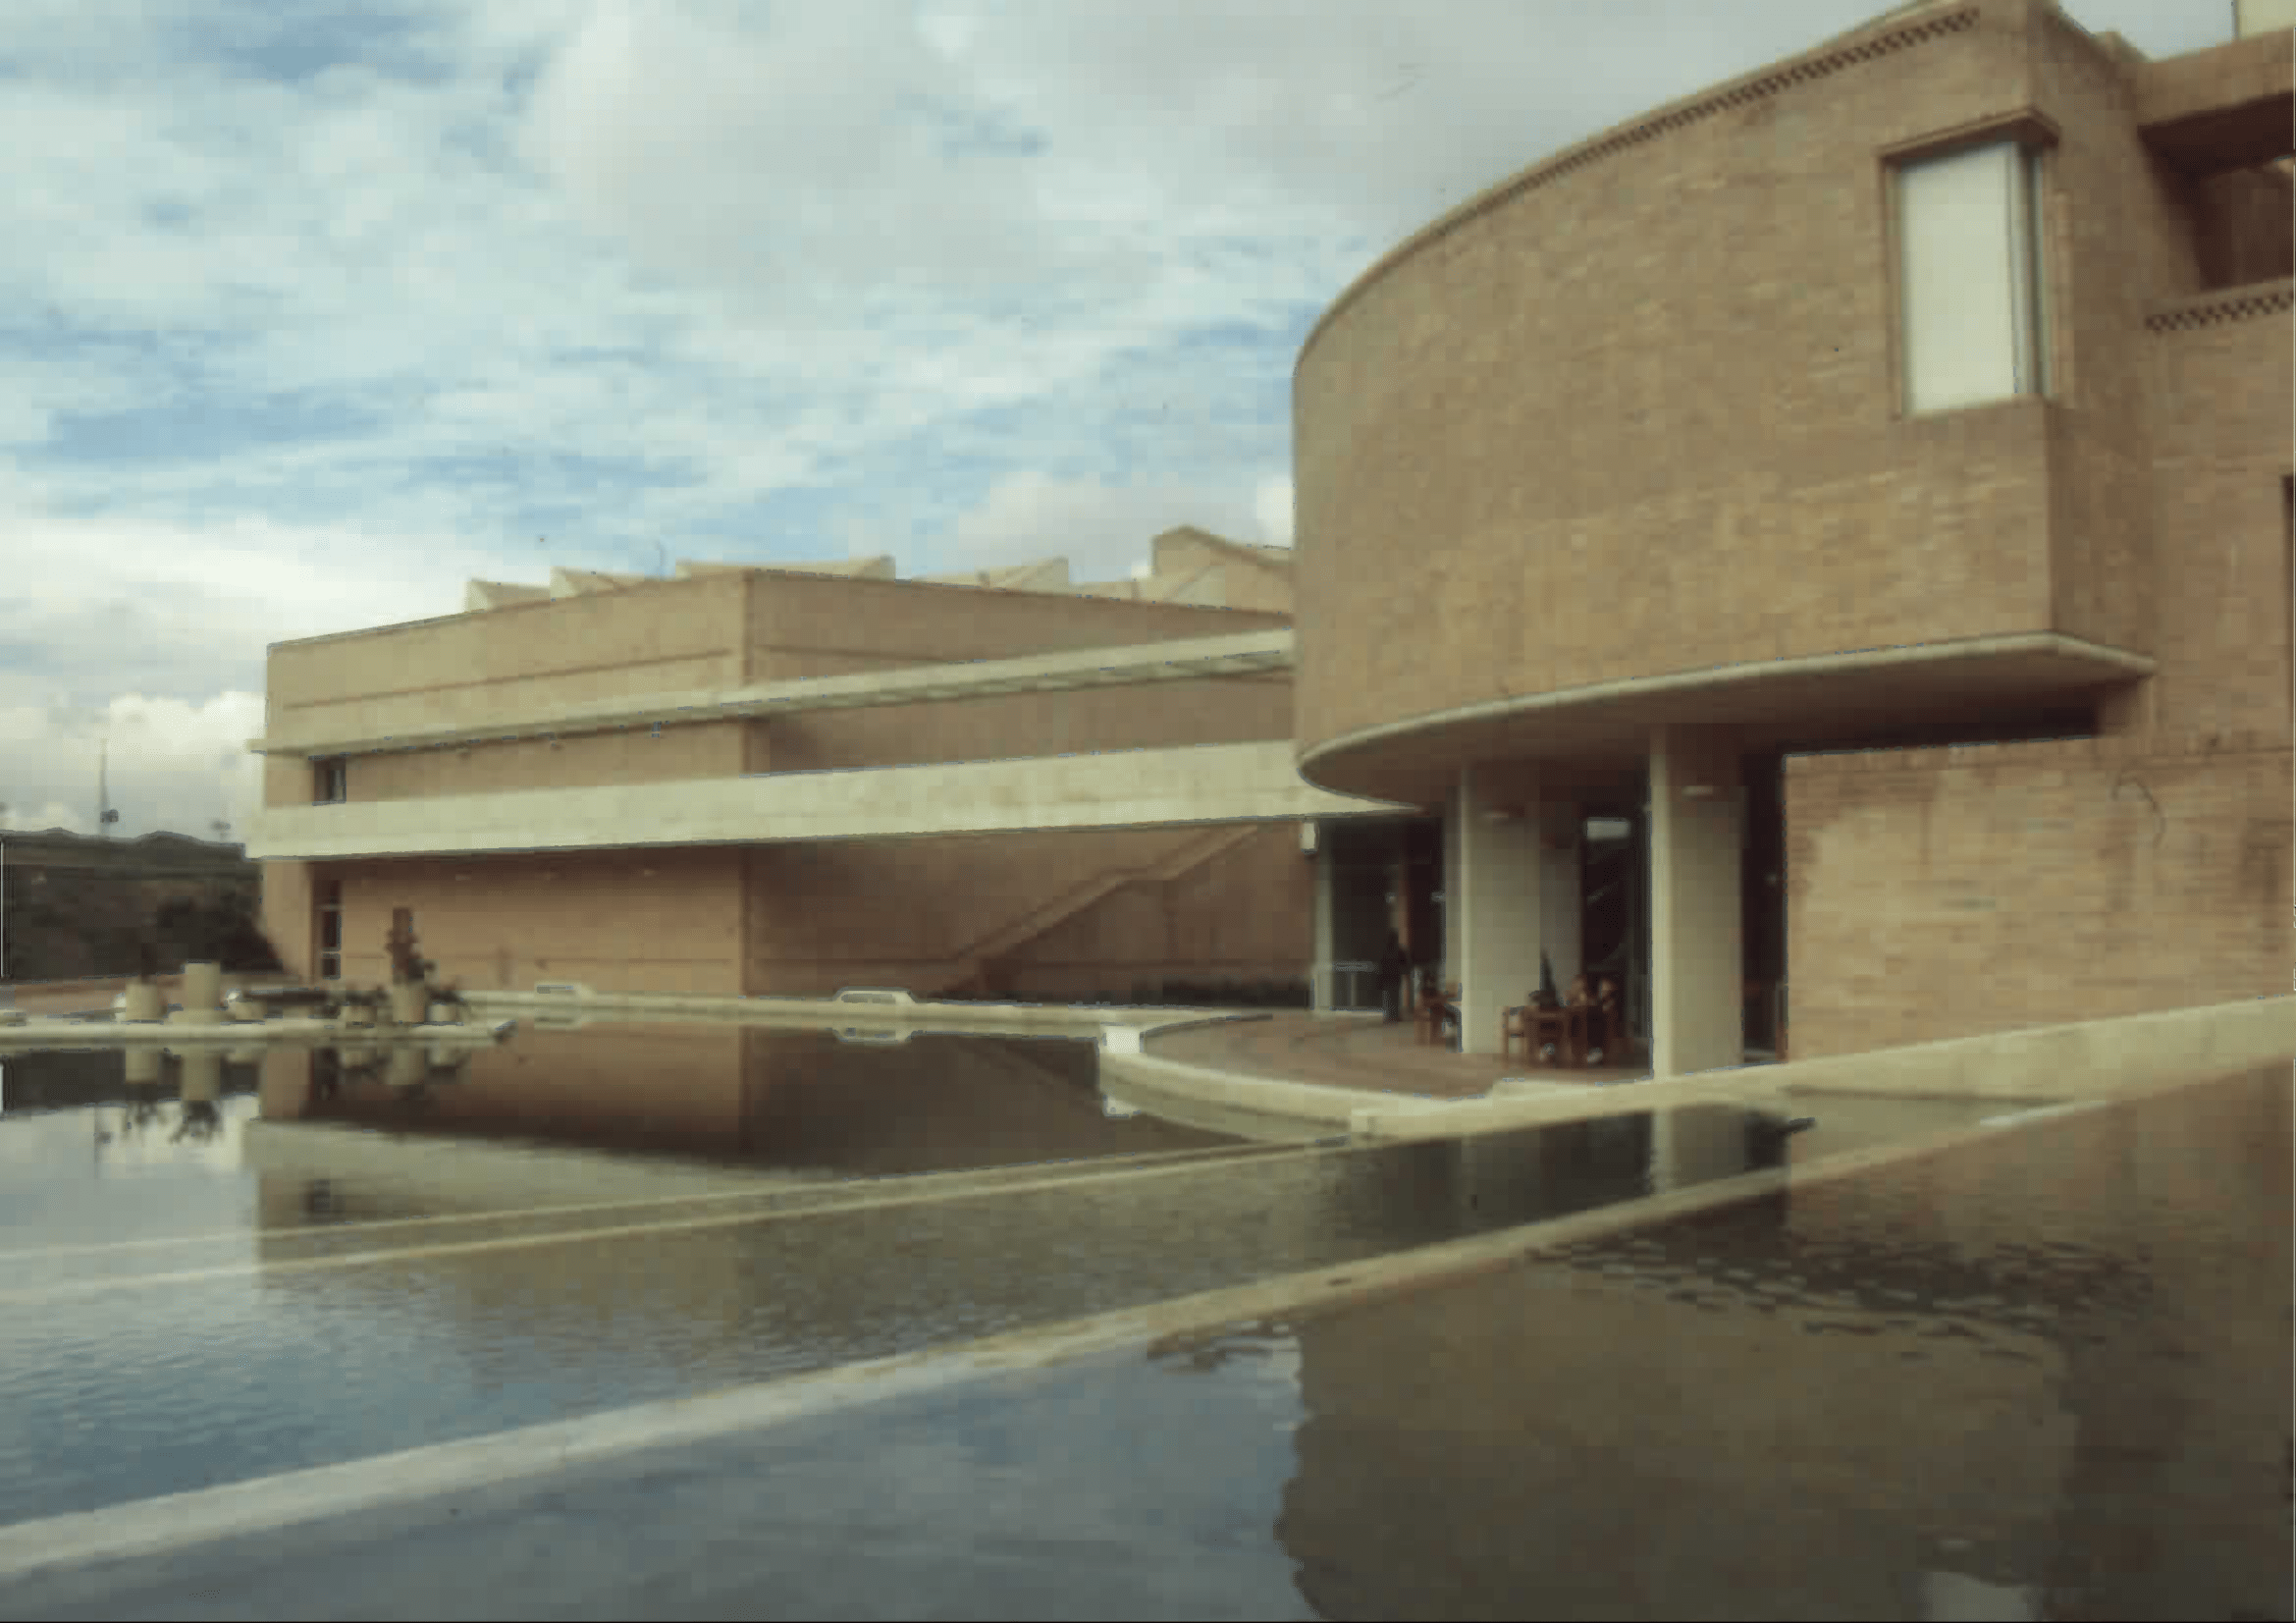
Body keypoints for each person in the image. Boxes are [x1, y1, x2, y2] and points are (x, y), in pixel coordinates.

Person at [1377, 929, 1411, 1023]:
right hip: (1393, 978)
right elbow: (1405, 965)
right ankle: (1392, 1016)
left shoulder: (1387, 951)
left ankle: (1391, 1016)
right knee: (1393, 997)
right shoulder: (1399, 951)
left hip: (1390, 978)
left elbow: (1381, 965)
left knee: (1390, 997)